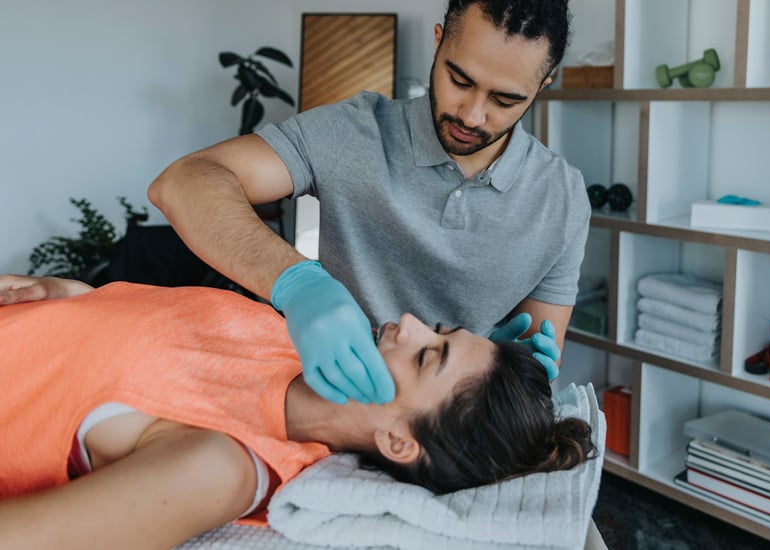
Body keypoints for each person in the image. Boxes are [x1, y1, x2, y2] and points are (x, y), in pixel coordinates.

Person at [142, 0, 590, 406]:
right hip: (324, 405)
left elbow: (529, 391)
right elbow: (181, 183)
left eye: (506, 99)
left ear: (543, 84)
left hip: (442, 433)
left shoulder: (562, 200)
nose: (472, 115)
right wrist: (298, 284)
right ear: (437, 44)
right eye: (460, 79)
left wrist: (514, 372)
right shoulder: (353, 132)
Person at [0, 275, 595, 548]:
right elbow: (132, 344)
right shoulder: (294, 335)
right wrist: (69, 296)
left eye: (427, 356)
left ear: (397, 441)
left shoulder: (223, 465)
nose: (408, 323)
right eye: (438, 331)